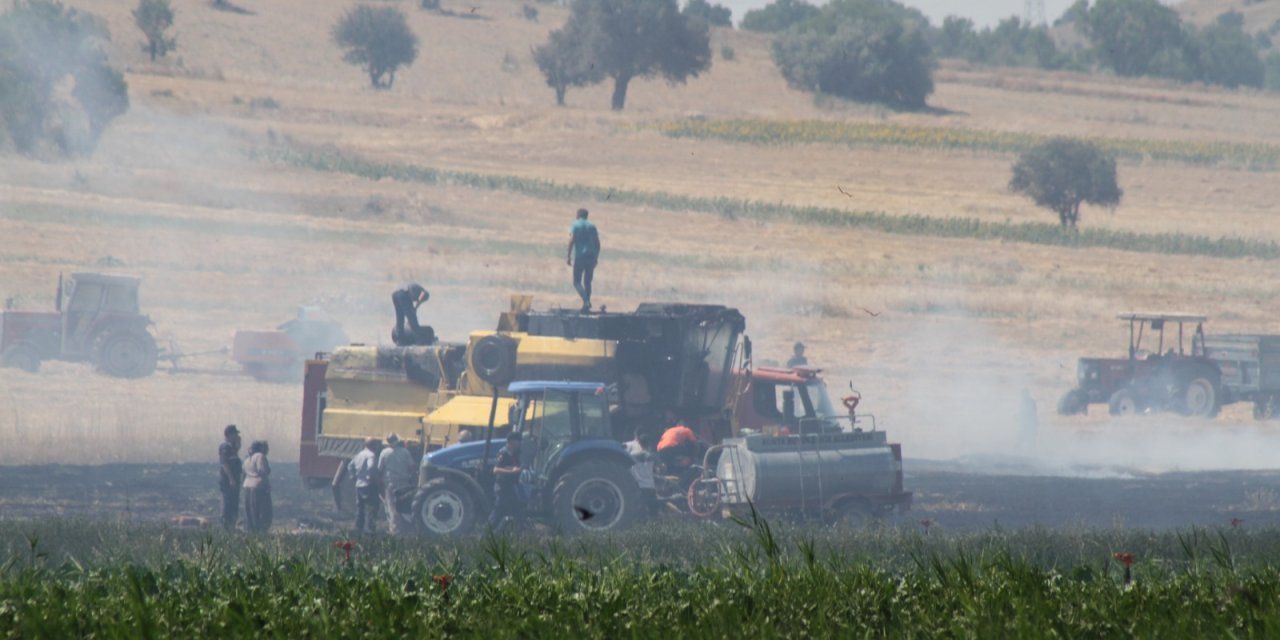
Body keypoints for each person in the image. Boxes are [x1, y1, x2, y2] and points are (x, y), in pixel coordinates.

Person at [378, 433, 415, 535]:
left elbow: (380, 469)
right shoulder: (405, 452)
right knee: (404, 505)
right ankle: (405, 527)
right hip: (404, 482)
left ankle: (394, 529)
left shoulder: (384, 453)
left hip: (390, 483)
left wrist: (380, 481)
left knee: (392, 506)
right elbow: (412, 467)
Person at [487, 432, 524, 532]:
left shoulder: (515, 453)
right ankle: (488, 533)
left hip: (510, 487)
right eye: (518, 441)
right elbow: (496, 470)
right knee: (499, 511)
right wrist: (512, 471)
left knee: (513, 511)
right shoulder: (503, 453)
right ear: (512, 441)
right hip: (502, 487)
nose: (520, 443)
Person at [566, 208, 600, 312]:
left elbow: (572, 240)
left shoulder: (575, 225)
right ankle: (586, 305)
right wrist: (596, 257)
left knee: (576, 282)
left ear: (578, 215)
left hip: (580, 256)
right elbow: (598, 243)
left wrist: (568, 256)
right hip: (591, 257)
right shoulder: (592, 226)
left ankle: (586, 301)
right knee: (588, 282)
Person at [348, 437, 383, 533]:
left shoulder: (359, 455)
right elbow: (371, 467)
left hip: (359, 485)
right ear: (373, 445)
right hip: (369, 485)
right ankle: (371, 528)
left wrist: (353, 477)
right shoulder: (371, 455)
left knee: (360, 507)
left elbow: (350, 466)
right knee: (373, 506)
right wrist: (371, 477)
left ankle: (358, 527)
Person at [656, 421, 700, 488]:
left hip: (660, 450)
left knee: (670, 467)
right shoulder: (686, 429)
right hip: (672, 447)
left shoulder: (670, 430)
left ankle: (673, 478)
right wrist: (694, 456)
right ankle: (689, 467)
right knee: (691, 450)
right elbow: (694, 442)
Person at [242, 440, 273, 533]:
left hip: (247, 486)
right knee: (263, 511)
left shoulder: (247, 459)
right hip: (258, 487)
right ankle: (261, 531)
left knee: (251, 512)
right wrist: (267, 485)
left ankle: (252, 531)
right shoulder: (260, 456)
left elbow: (243, 474)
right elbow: (262, 471)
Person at [218, 424, 243, 530]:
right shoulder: (225, 446)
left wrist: (238, 444)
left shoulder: (232, 446)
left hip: (234, 480)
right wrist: (231, 479)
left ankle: (231, 525)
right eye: (234, 435)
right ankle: (226, 526)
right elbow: (224, 464)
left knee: (233, 503)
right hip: (228, 480)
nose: (236, 437)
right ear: (229, 435)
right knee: (227, 503)